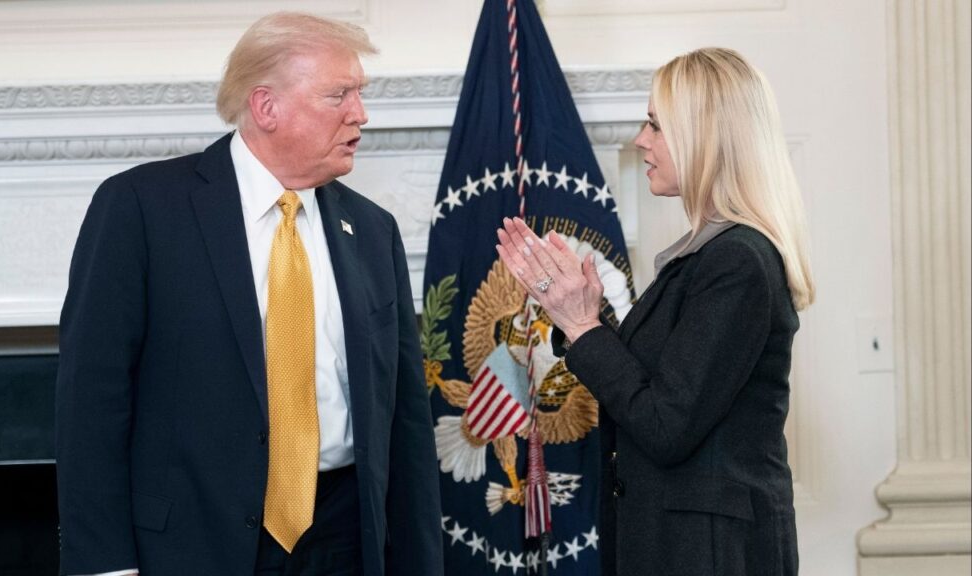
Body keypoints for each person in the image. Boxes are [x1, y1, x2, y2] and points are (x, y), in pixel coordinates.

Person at [55, 12, 443, 576]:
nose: (360, 114)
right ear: (266, 107)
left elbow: (405, 420)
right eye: (339, 94)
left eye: (360, 94)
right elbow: (90, 403)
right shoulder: (141, 208)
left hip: (343, 541)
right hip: (189, 547)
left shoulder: (372, 230)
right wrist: (103, 565)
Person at [495, 47, 813, 575]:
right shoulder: (708, 253)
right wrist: (583, 314)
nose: (641, 141)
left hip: (709, 553)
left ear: (704, 137)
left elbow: (666, 425)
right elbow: (663, 380)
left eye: (655, 125)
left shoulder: (736, 260)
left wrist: (582, 324)